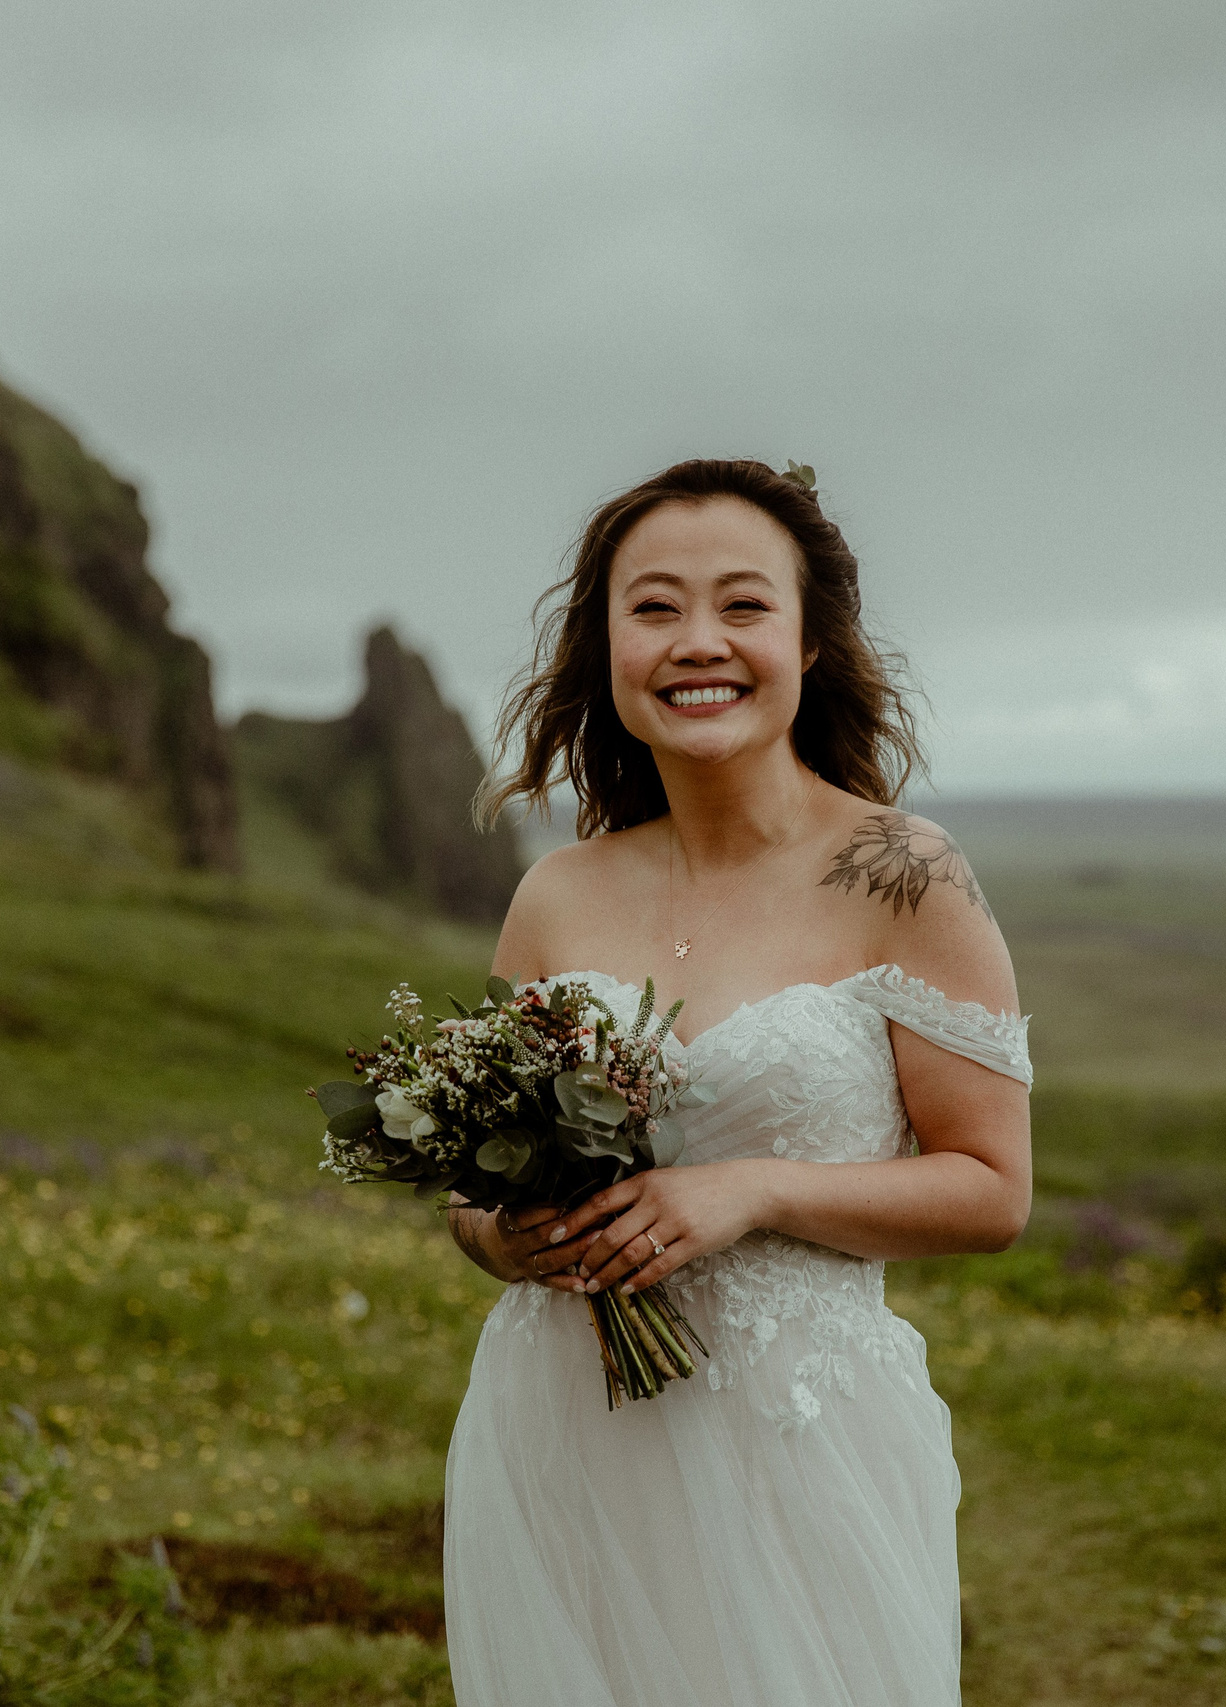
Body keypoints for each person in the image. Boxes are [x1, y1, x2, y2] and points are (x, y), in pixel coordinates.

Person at [439, 457, 1034, 1706]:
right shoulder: (556, 892)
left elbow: (991, 1190)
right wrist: (514, 1236)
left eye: (742, 606)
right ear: (604, 646)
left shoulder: (902, 872)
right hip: (563, 1429)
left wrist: (750, 1191)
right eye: (652, 607)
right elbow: (467, 1194)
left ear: (811, 641)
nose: (695, 642)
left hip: (800, 1444)